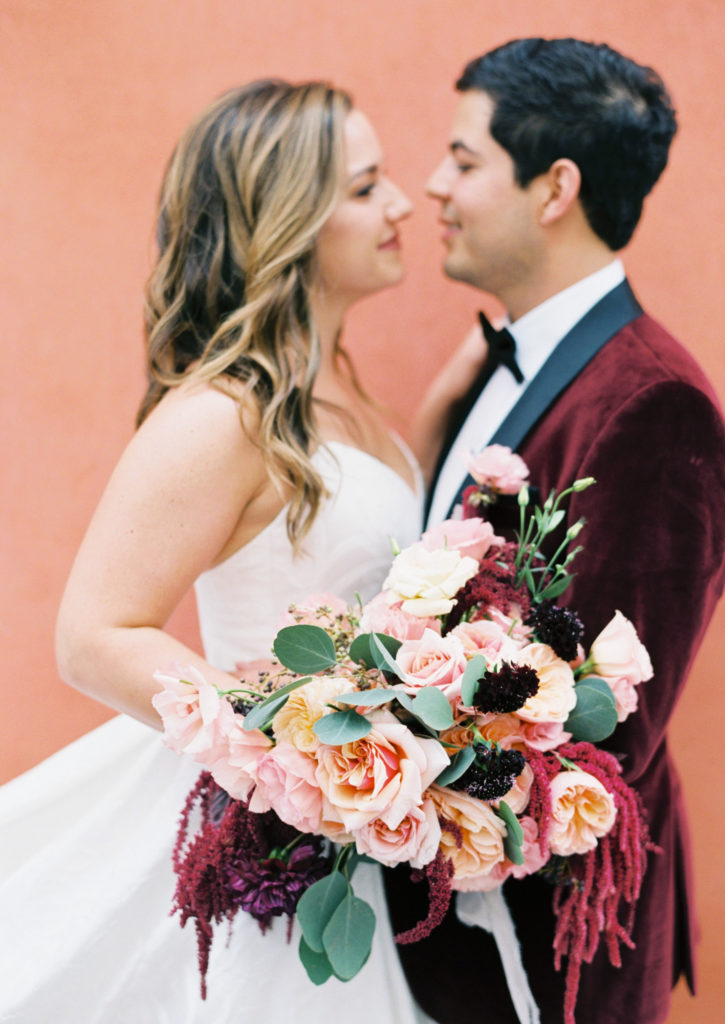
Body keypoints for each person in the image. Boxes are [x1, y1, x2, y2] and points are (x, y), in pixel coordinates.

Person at [0, 79, 434, 1023]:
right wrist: (294, 757)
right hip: (264, 834)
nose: (401, 204)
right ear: (295, 219)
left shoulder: (339, 400)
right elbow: (93, 634)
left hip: (354, 837)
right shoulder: (222, 415)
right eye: (367, 188)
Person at [385, 37, 725, 1024]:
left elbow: (603, 732)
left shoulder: (653, 406)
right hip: (443, 940)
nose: (432, 186)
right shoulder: (494, 365)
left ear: (555, 188)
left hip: (550, 959)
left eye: (463, 158)